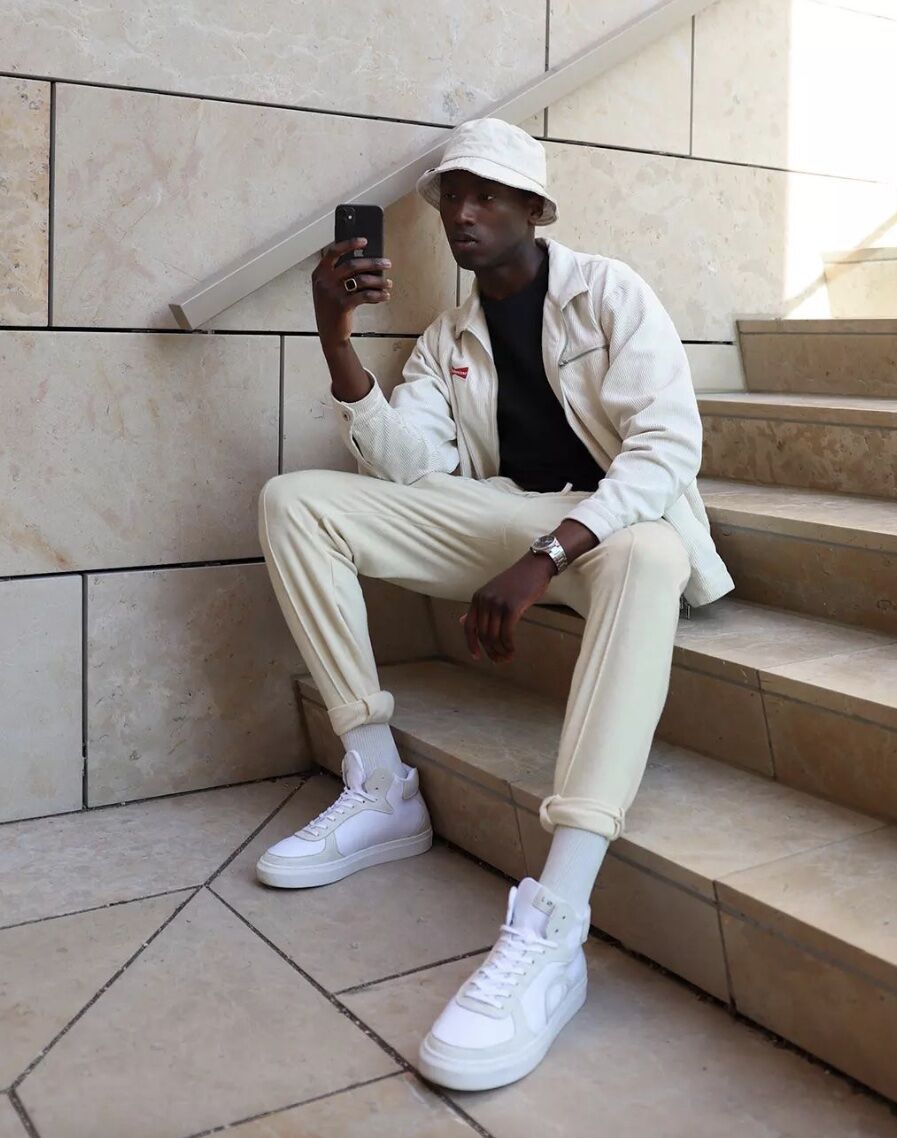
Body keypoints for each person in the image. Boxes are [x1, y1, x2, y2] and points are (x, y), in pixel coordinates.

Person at [256, 117, 734, 1092]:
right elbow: (406, 467)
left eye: (486, 196)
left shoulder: (608, 293)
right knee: (294, 499)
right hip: (502, 520)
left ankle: (555, 922)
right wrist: (335, 339)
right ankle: (380, 783)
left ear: (531, 207)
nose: (462, 214)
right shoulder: (448, 340)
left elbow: (666, 448)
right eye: (450, 198)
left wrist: (550, 552)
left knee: (648, 553)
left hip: (603, 528)